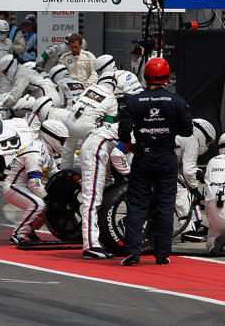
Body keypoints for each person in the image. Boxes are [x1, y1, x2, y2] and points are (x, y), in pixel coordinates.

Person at [118, 57, 193, 266]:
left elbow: (123, 132)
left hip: (143, 157)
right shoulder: (177, 101)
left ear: (145, 77)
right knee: (165, 206)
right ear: (167, 78)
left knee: (136, 205)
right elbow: (188, 130)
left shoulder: (134, 101)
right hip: (166, 157)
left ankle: (133, 252)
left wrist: (131, 144)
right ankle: (162, 254)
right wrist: (168, 130)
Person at [3, 118, 69, 245]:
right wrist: (48, 198)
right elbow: (34, 183)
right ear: (51, 137)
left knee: (46, 204)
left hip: (24, 186)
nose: (63, 144)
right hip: (13, 186)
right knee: (39, 204)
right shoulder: (35, 153)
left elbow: (55, 175)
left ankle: (29, 229)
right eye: (62, 140)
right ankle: (18, 234)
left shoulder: (47, 152)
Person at [79, 121, 131, 259]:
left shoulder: (141, 124)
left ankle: (99, 238)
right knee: (92, 200)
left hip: (102, 149)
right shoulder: (139, 129)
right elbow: (117, 155)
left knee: (104, 199)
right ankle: (90, 246)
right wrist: (129, 173)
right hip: (96, 150)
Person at [62, 74, 119, 169]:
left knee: (67, 149)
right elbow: (108, 124)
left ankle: (63, 174)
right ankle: (91, 176)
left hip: (69, 120)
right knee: (91, 153)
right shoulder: (112, 98)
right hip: (87, 128)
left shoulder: (90, 88)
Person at [175, 117, 216, 242]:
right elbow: (188, 170)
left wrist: (196, 174)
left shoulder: (179, 133)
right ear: (200, 132)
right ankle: (188, 230)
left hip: (143, 163)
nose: (207, 145)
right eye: (208, 141)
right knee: (183, 191)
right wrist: (194, 189)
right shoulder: (191, 138)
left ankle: (196, 224)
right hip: (158, 166)